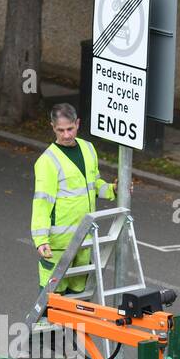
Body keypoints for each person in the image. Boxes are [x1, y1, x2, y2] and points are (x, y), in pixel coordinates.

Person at [31, 103, 116, 293]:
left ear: (77, 123)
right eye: (60, 130)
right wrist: (41, 240)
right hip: (58, 245)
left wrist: (112, 190)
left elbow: (93, 184)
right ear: (52, 127)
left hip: (84, 239)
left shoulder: (88, 148)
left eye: (70, 129)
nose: (67, 135)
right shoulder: (47, 161)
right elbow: (42, 203)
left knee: (79, 298)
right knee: (53, 300)